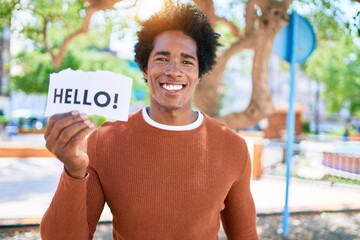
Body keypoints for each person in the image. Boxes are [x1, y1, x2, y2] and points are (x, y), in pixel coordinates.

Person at [40, 4, 259, 240]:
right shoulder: (102, 143)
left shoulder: (233, 147)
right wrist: (73, 170)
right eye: (162, 59)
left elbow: (246, 235)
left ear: (199, 73)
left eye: (187, 62)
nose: (174, 71)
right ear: (145, 68)